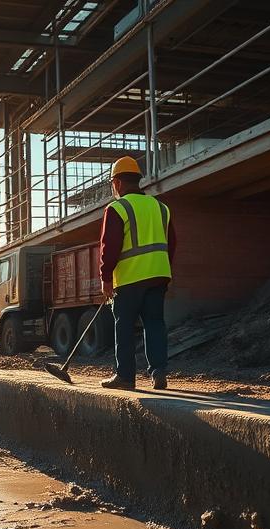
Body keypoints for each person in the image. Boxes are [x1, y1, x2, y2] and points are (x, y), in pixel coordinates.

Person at [99, 156, 176, 391]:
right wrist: (162, 269)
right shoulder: (161, 207)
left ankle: (125, 376)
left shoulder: (117, 208)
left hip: (130, 278)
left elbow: (109, 247)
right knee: (155, 323)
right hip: (159, 275)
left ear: (118, 183)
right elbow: (171, 243)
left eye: (112, 182)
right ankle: (159, 372)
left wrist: (106, 278)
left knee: (124, 326)